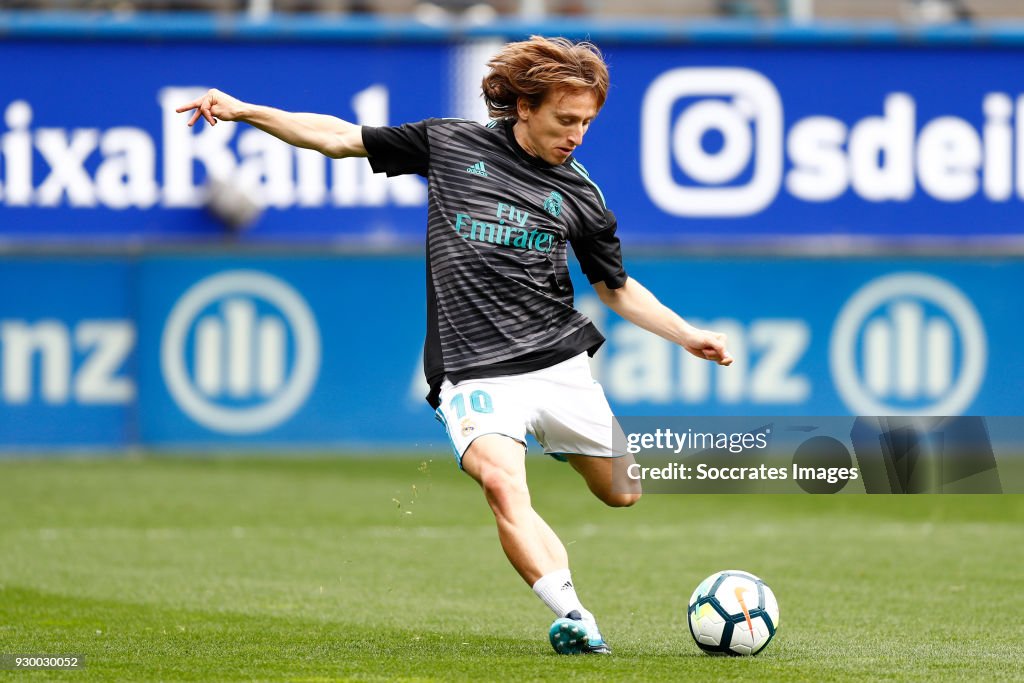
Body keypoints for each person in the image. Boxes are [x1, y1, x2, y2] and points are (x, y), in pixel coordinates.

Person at [176, 35, 733, 655]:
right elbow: (337, 137)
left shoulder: (582, 196)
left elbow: (616, 290)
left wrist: (688, 334)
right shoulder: (451, 142)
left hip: (556, 363)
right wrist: (245, 109)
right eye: (564, 118)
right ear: (524, 107)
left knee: (622, 491)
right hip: (474, 371)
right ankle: (574, 615)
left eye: (587, 122)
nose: (576, 134)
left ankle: (549, 439)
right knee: (500, 481)